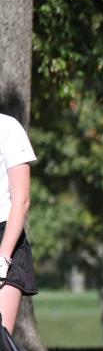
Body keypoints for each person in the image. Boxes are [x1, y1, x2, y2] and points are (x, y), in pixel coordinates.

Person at [0, 113, 38, 335]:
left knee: (1, 342)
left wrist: (3, 258)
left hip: (6, 238)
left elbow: (21, 201)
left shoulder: (8, 128)